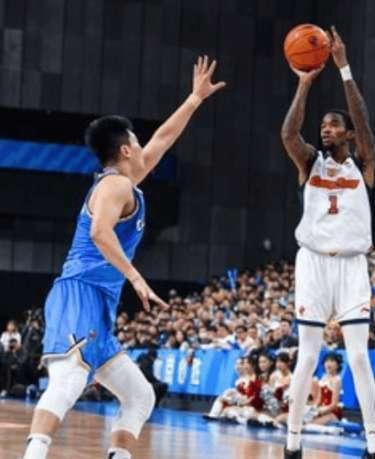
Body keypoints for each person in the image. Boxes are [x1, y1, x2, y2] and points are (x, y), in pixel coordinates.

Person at [22, 56, 225, 459]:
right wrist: (135, 276)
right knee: (68, 381)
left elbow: (163, 139)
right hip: (80, 291)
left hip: (100, 303)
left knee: (140, 395)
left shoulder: (126, 182)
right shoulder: (115, 186)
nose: (145, 146)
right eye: (137, 141)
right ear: (127, 148)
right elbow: (99, 232)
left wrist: (194, 99)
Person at [281, 26, 375, 458]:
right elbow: (289, 134)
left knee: (358, 358)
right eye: (322, 125)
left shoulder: (364, 161)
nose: (326, 129)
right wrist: (304, 84)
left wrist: (343, 69)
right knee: (307, 356)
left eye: (334, 125)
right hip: (314, 264)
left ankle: (374, 447)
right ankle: (292, 444)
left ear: (349, 135)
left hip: (353, 265)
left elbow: (363, 121)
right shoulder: (309, 163)